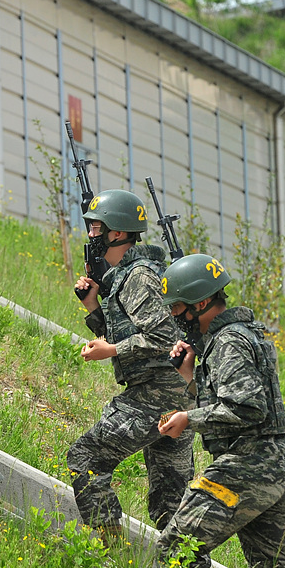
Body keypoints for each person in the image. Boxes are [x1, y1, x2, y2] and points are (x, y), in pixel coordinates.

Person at [155, 253, 285, 568]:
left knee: (177, 548)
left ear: (200, 303)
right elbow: (234, 402)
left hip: (247, 464)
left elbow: (247, 408)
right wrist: (190, 379)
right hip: (277, 468)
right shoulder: (247, 336)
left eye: (178, 307)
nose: (175, 316)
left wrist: (187, 419)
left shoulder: (227, 341)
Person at [65, 188, 192, 543]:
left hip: (157, 394)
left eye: (95, 228)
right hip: (173, 396)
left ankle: (113, 551)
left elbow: (167, 341)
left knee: (85, 458)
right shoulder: (127, 275)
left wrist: (113, 349)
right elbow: (129, 331)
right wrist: (94, 306)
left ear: (116, 233)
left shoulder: (138, 276)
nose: (90, 235)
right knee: (172, 504)